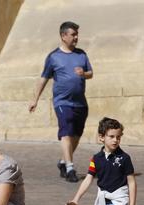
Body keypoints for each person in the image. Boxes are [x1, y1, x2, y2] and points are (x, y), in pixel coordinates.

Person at [29, 21, 93, 183]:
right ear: (63, 36)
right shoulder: (53, 57)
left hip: (80, 103)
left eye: (77, 34)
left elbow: (91, 73)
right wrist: (35, 99)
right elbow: (44, 78)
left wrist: (83, 73)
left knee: (76, 135)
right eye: (73, 34)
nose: (76, 37)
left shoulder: (81, 54)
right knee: (66, 133)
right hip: (62, 102)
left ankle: (63, 161)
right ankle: (70, 168)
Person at [67, 117, 137, 205]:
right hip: (103, 202)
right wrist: (76, 199)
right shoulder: (96, 159)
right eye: (111, 136)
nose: (115, 140)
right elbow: (88, 179)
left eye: (118, 137)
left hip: (119, 202)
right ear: (101, 137)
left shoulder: (124, 158)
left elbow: (132, 182)